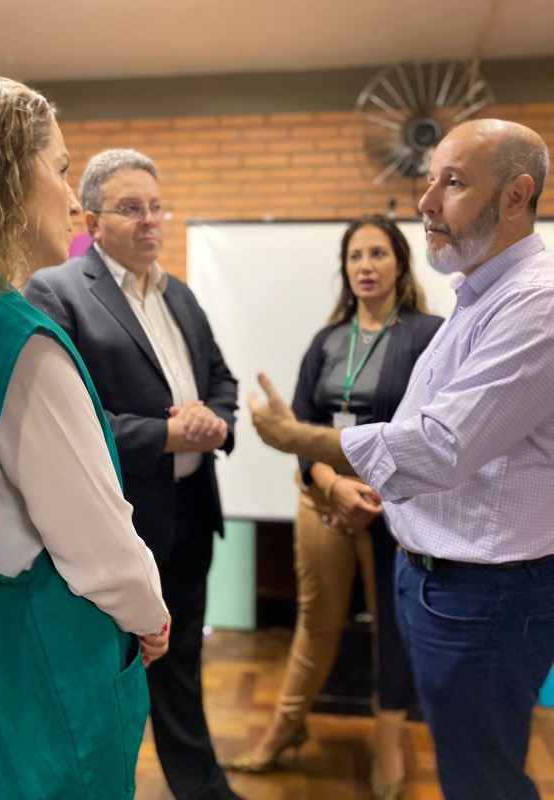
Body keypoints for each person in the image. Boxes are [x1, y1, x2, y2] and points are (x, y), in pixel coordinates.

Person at [248, 118, 554, 800]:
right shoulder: (474, 296)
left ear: (515, 195)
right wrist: (325, 476)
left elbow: (439, 445)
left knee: (483, 775)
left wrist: (301, 440)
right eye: (428, 181)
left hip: (483, 592)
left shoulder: (534, 303)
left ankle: (391, 756)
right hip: (427, 566)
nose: (425, 202)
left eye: (452, 182)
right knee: (468, 759)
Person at [0, 73, 170, 800]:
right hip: (33, 677)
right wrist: (151, 614)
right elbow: (100, 545)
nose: (73, 199)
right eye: (60, 168)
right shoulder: (20, 343)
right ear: (4, 172)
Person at [24, 149, 242, 800]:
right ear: (91, 218)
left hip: (193, 515)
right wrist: (171, 434)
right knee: (111, 676)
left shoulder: (180, 294)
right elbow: (71, 426)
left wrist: (217, 421)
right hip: (117, 529)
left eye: (156, 206)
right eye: (131, 208)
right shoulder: (57, 291)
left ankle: (201, 790)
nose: (151, 221)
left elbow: (222, 383)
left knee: (184, 669)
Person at [226, 216, 442, 798]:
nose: (365, 265)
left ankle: (390, 742)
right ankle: (285, 727)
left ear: (400, 262)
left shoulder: (428, 334)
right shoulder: (326, 341)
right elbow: (300, 426)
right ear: (345, 270)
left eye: (377, 253)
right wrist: (330, 485)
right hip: (323, 499)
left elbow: (430, 431)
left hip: (394, 509)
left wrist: (366, 490)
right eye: (354, 256)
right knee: (313, 624)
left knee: (392, 629)